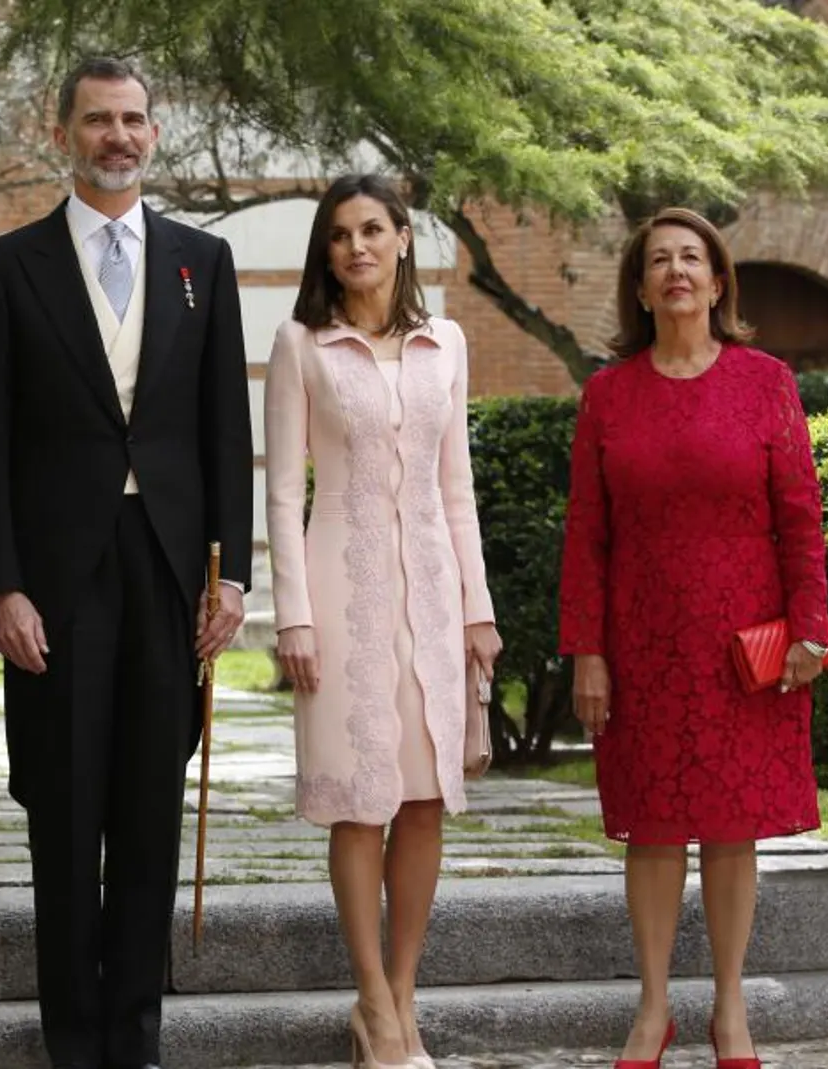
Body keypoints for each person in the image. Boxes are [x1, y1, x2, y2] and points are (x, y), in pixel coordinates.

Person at [0, 56, 254, 1069]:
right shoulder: (5, 268)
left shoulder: (202, 261)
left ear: (153, 133)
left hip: (167, 571)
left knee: (149, 815)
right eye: (96, 120)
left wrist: (232, 576)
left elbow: (224, 427)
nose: (116, 136)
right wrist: (0, 584)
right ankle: (73, 1046)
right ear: (62, 135)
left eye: (132, 119)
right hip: (55, 579)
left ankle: (136, 1042)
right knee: (66, 811)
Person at [557, 207, 828, 1069]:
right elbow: (586, 534)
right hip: (641, 642)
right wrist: (588, 650)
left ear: (718, 283)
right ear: (641, 290)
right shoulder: (608, 394)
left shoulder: (766, 382)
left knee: (729, 825)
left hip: (741, 640)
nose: (676, 271)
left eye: (691, 258)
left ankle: (729, 1006)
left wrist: (811, 626)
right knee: (651, 825)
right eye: (659, 261)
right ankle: (652, 1009)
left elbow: (801, 514)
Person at [262, 174, 502, 1069]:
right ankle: (370, 996)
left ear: (403, 237)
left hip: (433, 594)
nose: (356, 246)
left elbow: (457, 488)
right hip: (340, 594)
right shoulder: (301, 344)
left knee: (425, 796)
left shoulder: (447, 342)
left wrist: (478, 610)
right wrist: (294, 617)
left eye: (372, 229)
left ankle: (401, 999)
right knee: (362, 802)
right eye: (339, 235)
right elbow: (281, 494)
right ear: (326, 254)